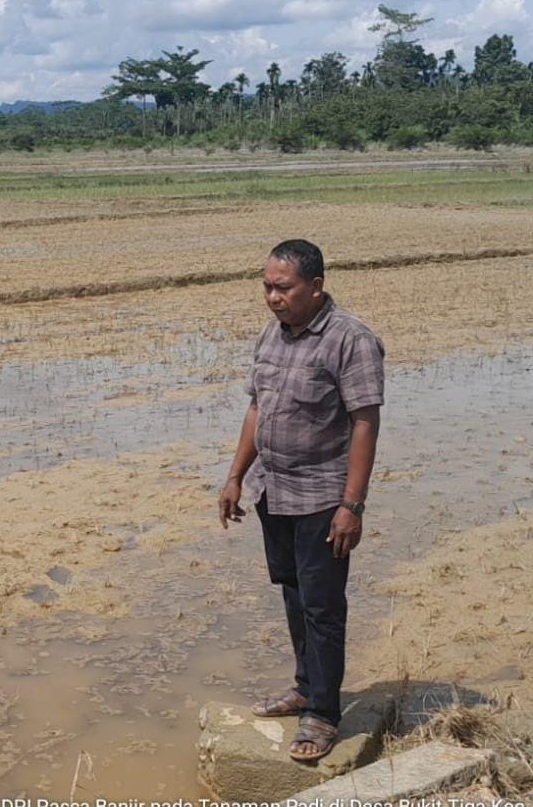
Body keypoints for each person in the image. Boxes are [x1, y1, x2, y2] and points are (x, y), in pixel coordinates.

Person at [217, 238, 384, 763]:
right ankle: (306, 688)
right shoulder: (274, 335)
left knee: (323, 607)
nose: (271, 297)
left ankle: (324, 714)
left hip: (321, 498)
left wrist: (351, 506)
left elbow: (364, 423)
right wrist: (235, 476)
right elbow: (256, 409)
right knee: (292, 595)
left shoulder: (350, 340)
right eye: (266, 287)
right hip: (275, 491)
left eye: (282, 288)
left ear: (315, 287)